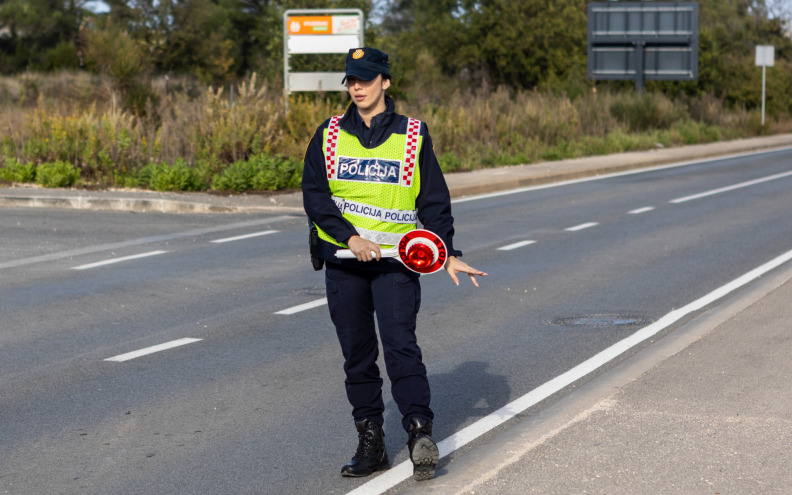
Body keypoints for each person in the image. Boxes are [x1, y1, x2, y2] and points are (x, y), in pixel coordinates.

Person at [302, 47, 487, 482]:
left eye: (365, 78)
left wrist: (447, 254)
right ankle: (371, 442)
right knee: (358, 356)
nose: (357, 87)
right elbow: (315, 196)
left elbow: (433, 202)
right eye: (351, 79)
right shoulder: (327, 134)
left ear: (385, 82)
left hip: (397, 264)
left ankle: (420, 433)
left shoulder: (413, 135)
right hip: (344, 262)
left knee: (401, 347)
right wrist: (351, 237)